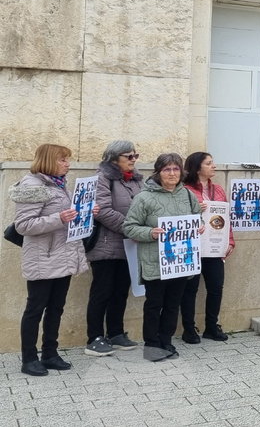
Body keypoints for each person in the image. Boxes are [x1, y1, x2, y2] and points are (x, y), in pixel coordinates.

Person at [11, 144, 92, 376]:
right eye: (63, 160)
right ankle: (29, 359)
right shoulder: (32, 185)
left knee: (56, 307)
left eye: (67, 159)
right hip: (42, 257)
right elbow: (24, 225)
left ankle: (50, 353)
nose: (68, 164)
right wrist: (59, 218)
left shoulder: (59, 184)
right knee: (35, 309)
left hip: (63, 255)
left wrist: (85, 212)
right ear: (49, 160)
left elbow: (67, 217)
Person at [123, 153, 203, 362]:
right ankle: (151, 345)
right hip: (154, 261)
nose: (172, 173)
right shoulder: (144, 197)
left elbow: (197, 218)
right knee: (154, 304)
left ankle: (166, 341)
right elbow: (129, 227)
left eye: (176, 169)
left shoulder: (187, 195)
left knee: (172, 304)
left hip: (180, 262)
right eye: (167, 169)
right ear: (158, 172)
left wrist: (199, 227)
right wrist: (151, 233)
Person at [85, 140, 143, 357]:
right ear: (113, 158)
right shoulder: (102, 178)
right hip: (106, 246)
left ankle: (116, 333)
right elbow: (102, 211)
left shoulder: (136, 179)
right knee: (102, 292)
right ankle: (94, 338)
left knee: (121, 291)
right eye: (129, 156)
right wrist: (132, 229)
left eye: (135, 156)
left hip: (129, 246)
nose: (133, 160)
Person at [180, 152, 235, 344]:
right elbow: (178, 217)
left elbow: (226, 219)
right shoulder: (184, 190)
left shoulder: (218, 190)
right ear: (197, 167)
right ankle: (189, 329)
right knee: (190, 289)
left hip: (214, 247)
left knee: (216, 287)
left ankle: (212, 326)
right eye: (209, 163)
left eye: (213, 162)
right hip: (193, 247)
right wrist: (195, 210)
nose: (214, 166)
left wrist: (230, 241)